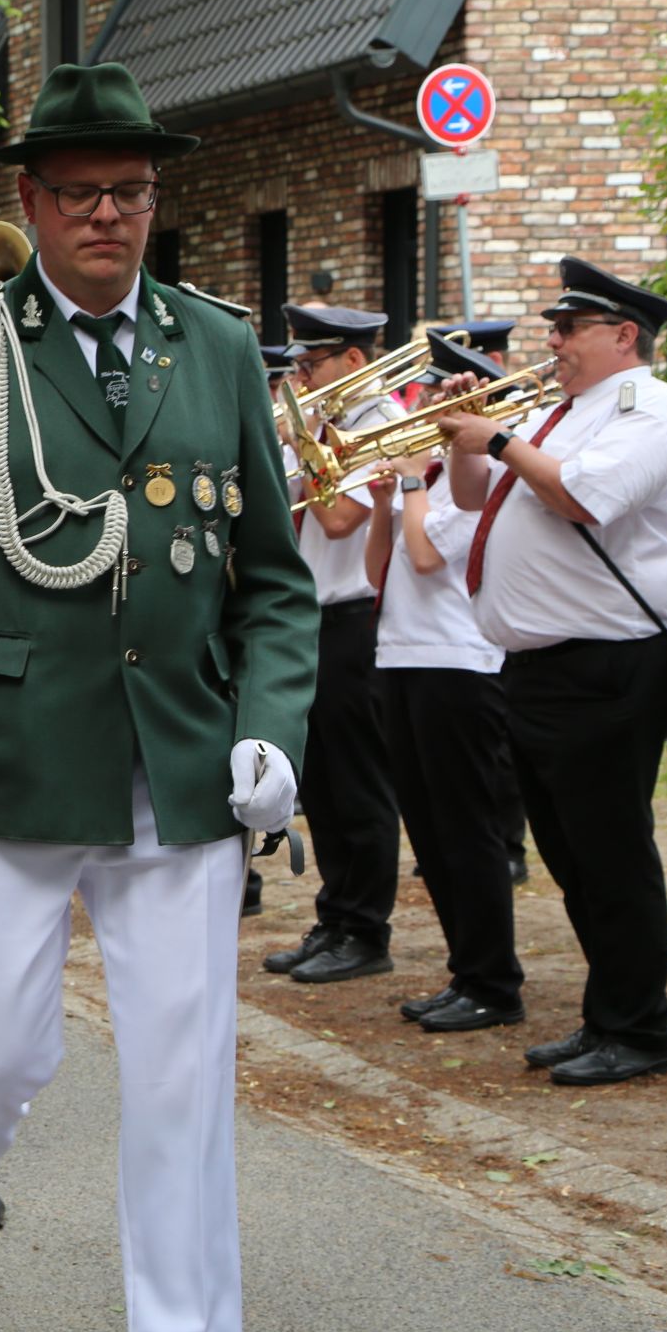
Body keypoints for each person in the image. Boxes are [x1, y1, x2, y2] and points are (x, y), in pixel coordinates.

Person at [0, 63, 317, 1332]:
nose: (110, 214)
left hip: (177, 757)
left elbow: (275, 580)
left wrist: (273, 727)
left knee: (182, 1084)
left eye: (133, 192)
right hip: (4, 754)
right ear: (34, 202)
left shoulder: (215, 344)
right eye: (83, 192)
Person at [434, 256, 667, 1085]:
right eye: (554, 328)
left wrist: (498, 438)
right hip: (542, 667)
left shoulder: (649, 407)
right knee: (571, 854)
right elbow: (473, 499)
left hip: (608, 664)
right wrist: (463, 435)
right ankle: (607, 1015)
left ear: (624, 335)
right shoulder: (564, 410)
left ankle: (640, 1030)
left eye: (570, 328)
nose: (554, 342)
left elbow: (584, 499)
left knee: (610, 853)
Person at [359, 330, 525, 1033]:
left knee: (466, 829)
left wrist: (407, 485)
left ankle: (494, 981)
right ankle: (467, 972)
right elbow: (379, 571)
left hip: (459, 664)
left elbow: (429, 560)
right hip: (403, 657)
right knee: (428, 830)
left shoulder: (465, 483)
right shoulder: (425, 483)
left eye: (440, 396)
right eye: (428, 393)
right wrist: (382, 503)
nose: (425, 407)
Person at [263, 303, 405, 986]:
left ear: (353, 360)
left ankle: (366, 928)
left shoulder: (380, 423)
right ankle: (336, 915)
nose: (299, 377)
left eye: (310, 363)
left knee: (357, 781)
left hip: (355, 615)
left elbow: (342, 518)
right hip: (311, 613)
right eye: (296, 364)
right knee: (319, 780)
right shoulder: (323, 423)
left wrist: (303, 440)